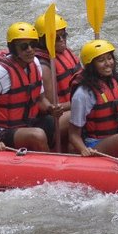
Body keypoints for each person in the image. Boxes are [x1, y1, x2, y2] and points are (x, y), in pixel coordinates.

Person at [0, 22, 63, 152]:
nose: (30, 50)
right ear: (13, 48)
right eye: (24, 46)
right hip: (3, 130)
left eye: (33, 45)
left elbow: (40, 99)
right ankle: (51, 165)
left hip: (29, 122)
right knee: (37, 135)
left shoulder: (35, 63)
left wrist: (50, 108)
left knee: (69, 119)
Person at [33, 13, 81, 151]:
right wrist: (81, 102)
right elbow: (52, 107)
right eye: (56, 38)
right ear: (43, 41)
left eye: (64, 35)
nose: (62, 41)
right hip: (50, 120)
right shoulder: (43, 66)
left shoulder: (66, 53)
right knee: (82, 111)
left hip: (67, 111)